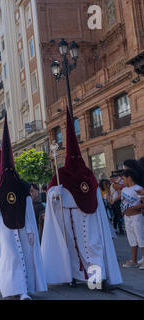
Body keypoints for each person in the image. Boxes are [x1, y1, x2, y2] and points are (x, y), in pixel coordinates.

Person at [41, 108, 122, 289]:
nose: (76, 160)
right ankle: (73, 276)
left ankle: (97, 279)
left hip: (88, 216)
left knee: (92, 245)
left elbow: (94, 193)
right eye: (73, 157)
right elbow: (51, 193)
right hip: (68, 218)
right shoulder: (60, 173)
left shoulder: (87, 173)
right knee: (71, 248)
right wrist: (56, 192)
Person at [0, 116, 47, 300]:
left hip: (21, 228)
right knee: (10, 260)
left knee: (24, 259)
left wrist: (30, 230)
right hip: (5, 230)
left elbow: (29, 210)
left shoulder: (21, 186)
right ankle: (13, 288)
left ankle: (23, 290)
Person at [120, 169, 144, 269]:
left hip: (136, 217)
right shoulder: (124, 190)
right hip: (127, 217)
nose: (122, 181)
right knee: (132, 239)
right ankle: (133, 260)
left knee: (140, 238)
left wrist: (134, 208)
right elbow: (123, 202)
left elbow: (143, 203)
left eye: (123, 178)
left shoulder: (138, 188)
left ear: (129, 177)